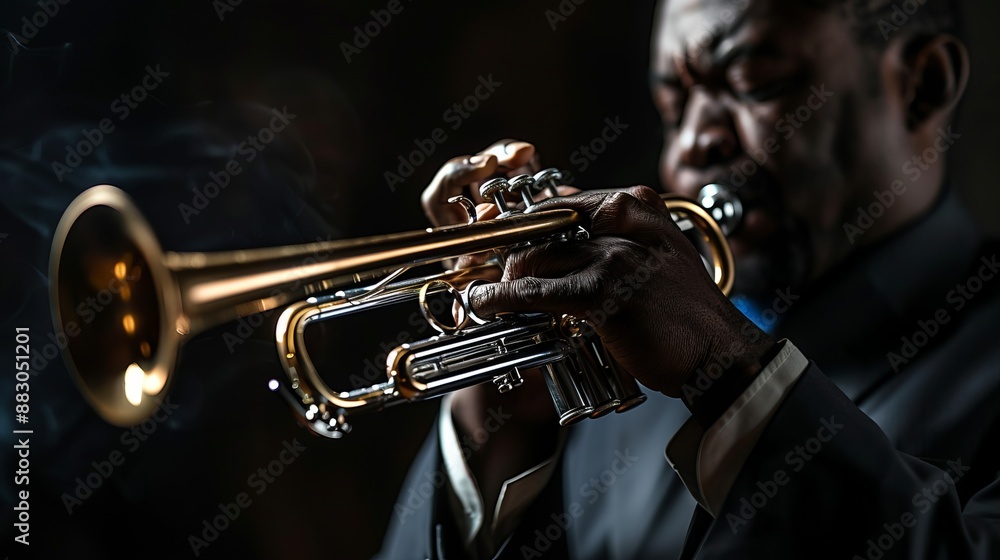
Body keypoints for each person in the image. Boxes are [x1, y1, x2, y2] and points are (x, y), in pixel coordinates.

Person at [379, 0, 1000, 558]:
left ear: (923, 85)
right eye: (674, 105)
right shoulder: (618, 353)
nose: (692, 145)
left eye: (757, 83)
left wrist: (727, 372)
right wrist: (498, 430)